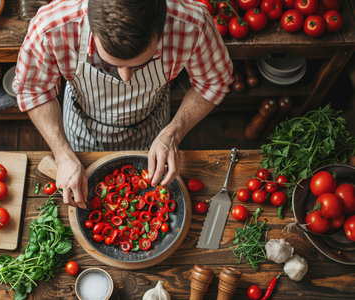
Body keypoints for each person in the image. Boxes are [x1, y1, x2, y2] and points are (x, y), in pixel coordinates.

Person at [13, 0, 233, 209]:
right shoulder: (50, 27)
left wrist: (174, 133)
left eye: (141, 64)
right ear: (91, 24)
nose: (126, 78)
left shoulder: (193, 24)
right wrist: (62, 155)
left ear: (163, 27)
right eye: (111, 63)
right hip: (82, 128)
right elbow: (33, 89)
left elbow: (214, 81)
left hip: (154, 126)